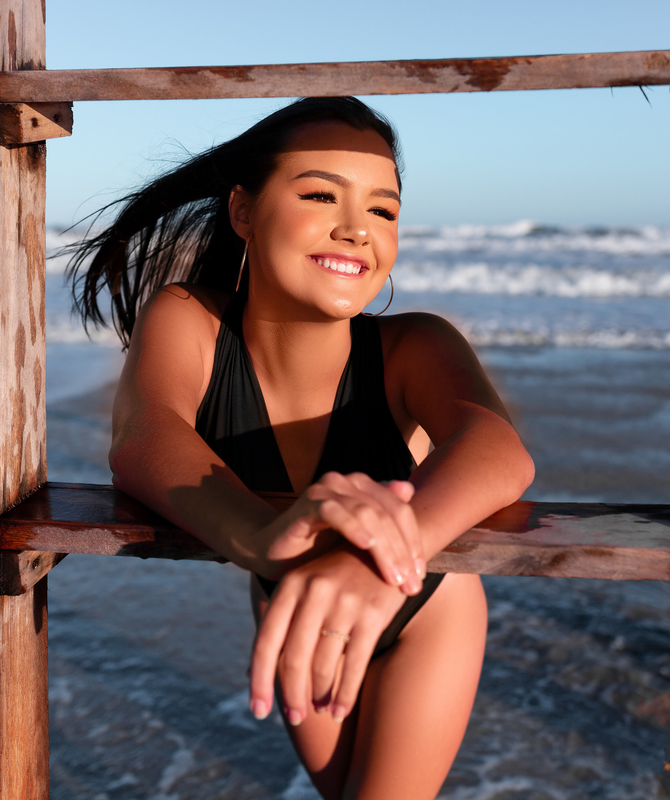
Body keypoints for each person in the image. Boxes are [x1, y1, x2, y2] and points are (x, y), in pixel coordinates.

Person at [67, 97, 534, 800]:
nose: (356, 228)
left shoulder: (413, 343)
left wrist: (380, 564)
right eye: (320, 194)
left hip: (423, 604)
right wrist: (271, 540)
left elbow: (498, 449)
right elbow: (144, 437)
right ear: (243, 210)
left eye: (383, 209)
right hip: (292, 603)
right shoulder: (189, 318)